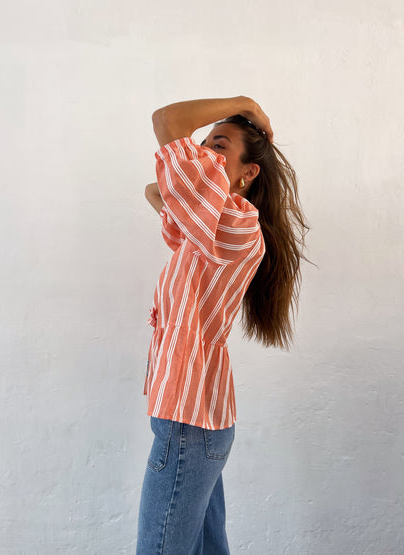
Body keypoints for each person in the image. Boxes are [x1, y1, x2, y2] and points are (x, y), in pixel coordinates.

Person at [136, 96, 309, 554]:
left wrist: (244, 104)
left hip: (188, 421)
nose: (205, 152)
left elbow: (167, 121)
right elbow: (156, 191)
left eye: (220, 146)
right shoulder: (209, 224)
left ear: (248, 173)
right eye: (204, 145)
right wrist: (206, 165)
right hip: (194, 419)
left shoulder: (236, 224)